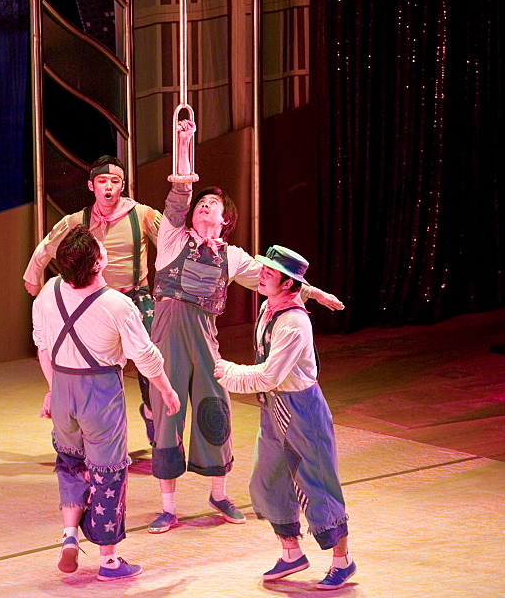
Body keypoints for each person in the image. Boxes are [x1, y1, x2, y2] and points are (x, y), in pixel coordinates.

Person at [147, 119, 344, 533]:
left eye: (212, 205)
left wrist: (316, 294)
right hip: (166, 338)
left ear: (226, 219)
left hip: (204, 339)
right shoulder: (171, 237)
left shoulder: (232, 257)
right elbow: (180, 192)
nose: (203, 207)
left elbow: (277, 279)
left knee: (215, 409)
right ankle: (168, 506)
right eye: (200, 204)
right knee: (168, 415)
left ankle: (218, 492)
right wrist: (185, 142)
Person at [33, 225, 180, 581]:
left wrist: (54, 390)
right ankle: (109, 561)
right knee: (108, 474)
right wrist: (166, 389)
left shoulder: (48, 293)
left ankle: (69, 535)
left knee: (69, 463)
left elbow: (43, 346)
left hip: (63, 386)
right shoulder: (118, 304)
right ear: (98, 263)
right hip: (99, 392)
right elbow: (145, 356)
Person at [214, 245, 356, 590]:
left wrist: (226, 371)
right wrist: (318, 293)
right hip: (273, 408)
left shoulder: (293, 323)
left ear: (288, 284)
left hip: (301, 409)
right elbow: (268, 384)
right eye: (263, 268)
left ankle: (343, 561)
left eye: (269, 272)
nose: (261, 275)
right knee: (269, 479)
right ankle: (292, 554)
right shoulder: (269, 306)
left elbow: (268, 376)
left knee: (317, 485)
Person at [23, 155, 161, 443]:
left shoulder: (143, 215)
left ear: (123, 185)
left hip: (135, 297)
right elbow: (48, 246)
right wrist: (32, 277)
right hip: (94, 301)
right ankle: (88, 432)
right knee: (87, 364)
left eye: (115, 181)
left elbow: (172, 247)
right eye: (102, 181)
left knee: (150, 360)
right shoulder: (79, 220)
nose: (108, 187)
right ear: (91, 185)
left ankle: (152, 413)